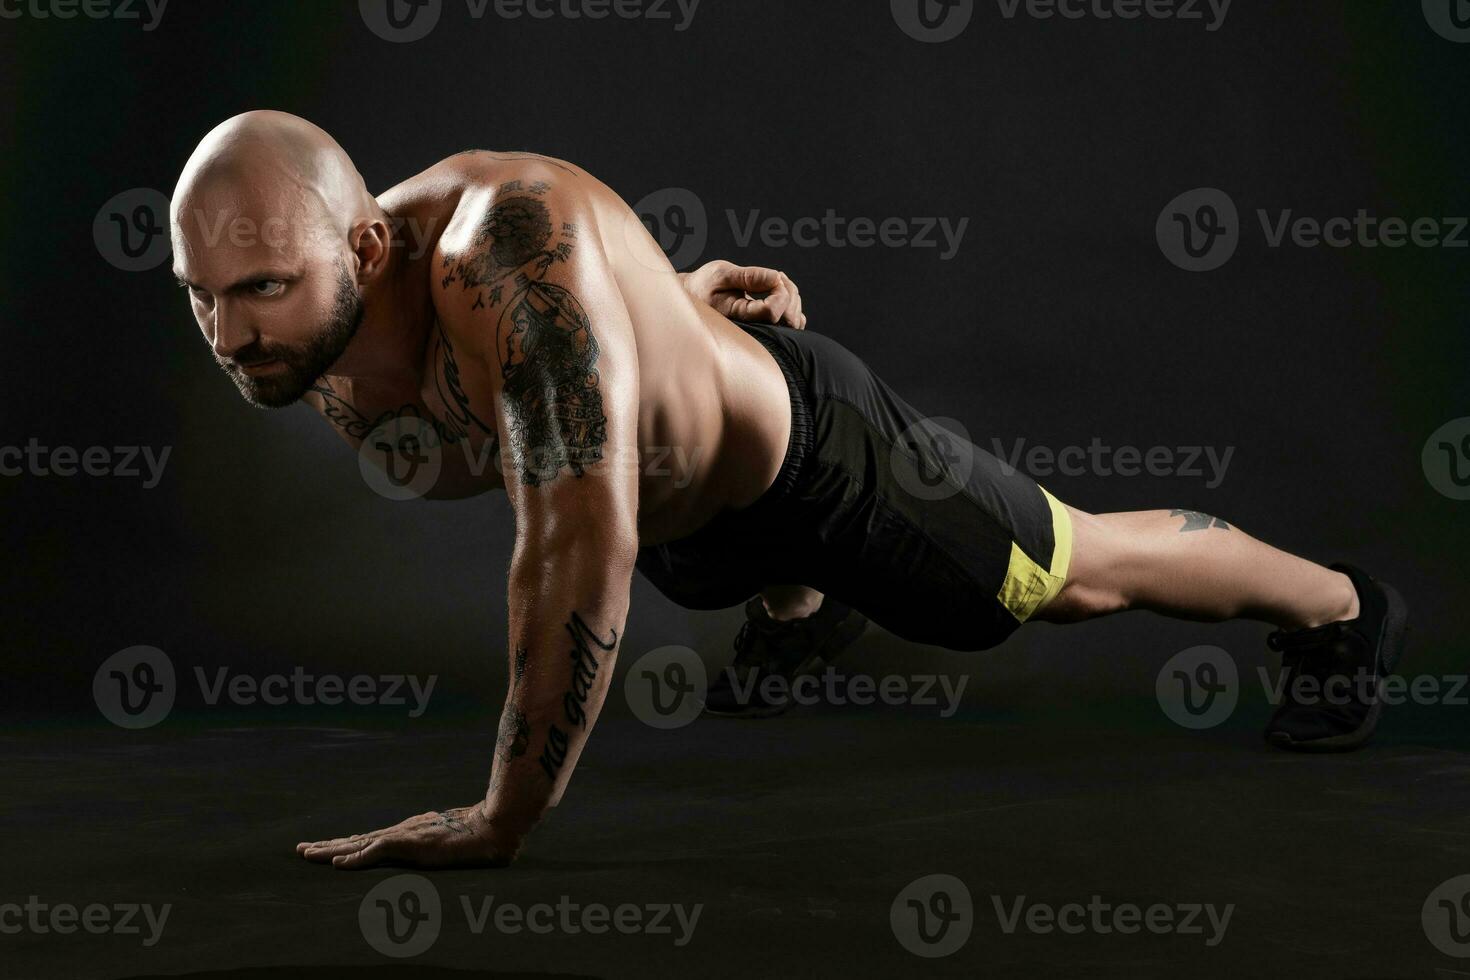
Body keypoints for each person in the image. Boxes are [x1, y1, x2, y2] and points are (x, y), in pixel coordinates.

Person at [167, 110, 1407, 871]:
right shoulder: (306, 337)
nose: (229, 335)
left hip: (824, 466)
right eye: (200, 296)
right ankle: (802, 609)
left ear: (365, 247)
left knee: (1067, 577)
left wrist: (503, 815)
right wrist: (671, 305)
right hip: (687, 517)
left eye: (262, 289)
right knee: (686, 519)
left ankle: (1341, 609)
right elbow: (566, 373)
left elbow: (572, 547)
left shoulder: (502, 255)